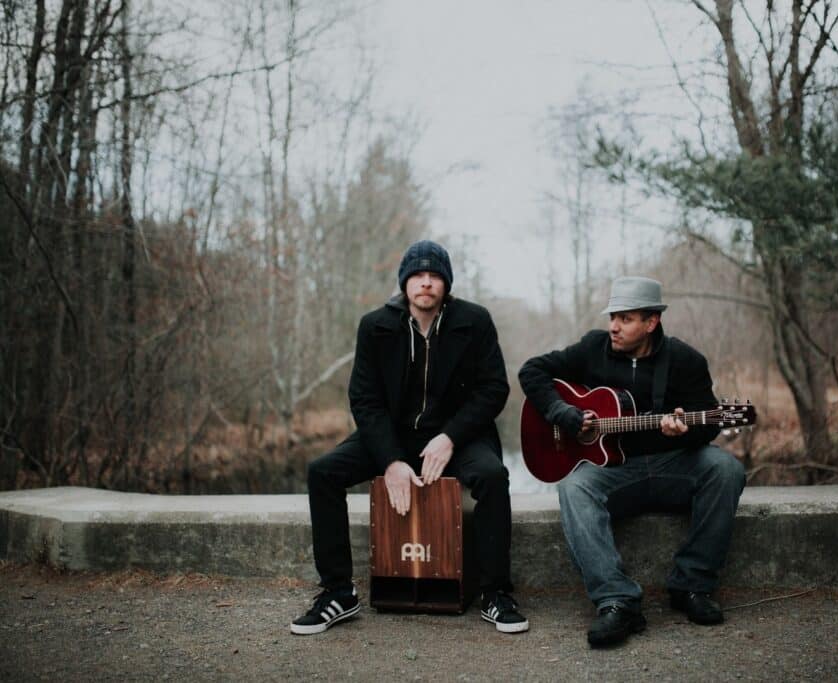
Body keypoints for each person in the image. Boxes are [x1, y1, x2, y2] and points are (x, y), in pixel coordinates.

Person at [291, 240, 528, 635]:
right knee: (323, 472)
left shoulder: (475, 320)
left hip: (460, 435)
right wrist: (392, 460)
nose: (426, 283)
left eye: (435, 276)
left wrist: (450, 436)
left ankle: (495, 594)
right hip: (392, 436)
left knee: (490, 475)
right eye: (418, 275)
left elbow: (493, 390)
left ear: (446, 285)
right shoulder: (375, 326)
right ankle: (338, 593)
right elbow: (364, 400)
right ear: (404, 283)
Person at [518, 276, 745, 648]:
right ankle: (617, 602)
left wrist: (684, 431)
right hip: (614, 471)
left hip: (674, 465)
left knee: (725, 469)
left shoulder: (685, 361)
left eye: (625, 318)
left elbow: (708, 423)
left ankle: (692, 586)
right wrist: (562, 413)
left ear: (651, 322)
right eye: (612, 317)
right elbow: (532, 372)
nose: (613, 326)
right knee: (573, 488)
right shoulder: (593, 348)